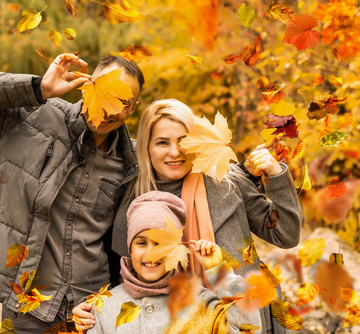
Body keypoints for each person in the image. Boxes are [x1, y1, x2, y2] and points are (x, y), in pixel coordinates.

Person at [0, 54, 144, 332]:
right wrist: (39, 89)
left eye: (122, 103)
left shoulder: (132, 160)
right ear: (87, 84)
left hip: (94, 308)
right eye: (106, 94)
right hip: (26, 302)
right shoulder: (36, 114)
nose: (110, 109)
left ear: (133, 108)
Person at [109, 99, 303, 333]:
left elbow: (286, 235)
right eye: (162, 142)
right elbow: (122, 278)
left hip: (246, 316)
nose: (175, 152)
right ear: (146, 147)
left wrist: (275, 175)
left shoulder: (227, 180)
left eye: (183, 141)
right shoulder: (133, 200)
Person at [87, 190, 262, 334]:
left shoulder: (200, 300)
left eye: (161, 243)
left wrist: (219, 271)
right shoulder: (105, 306)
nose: (151, 253)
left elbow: (250, 330)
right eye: (141, 243)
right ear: (130, 248)